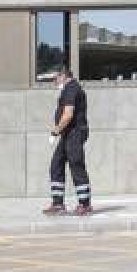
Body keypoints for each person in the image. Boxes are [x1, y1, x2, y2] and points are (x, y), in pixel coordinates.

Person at [42, 65, 93, 216]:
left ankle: (85, 205)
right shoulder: (68, 89)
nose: (54, 82)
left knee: (76, 165)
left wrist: (55, 131)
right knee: (56, 165)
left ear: (63, 75)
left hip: (74, 133)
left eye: (55, 78)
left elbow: (68, 114)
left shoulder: (71, 88)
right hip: (67, 134)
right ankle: (58, 204)